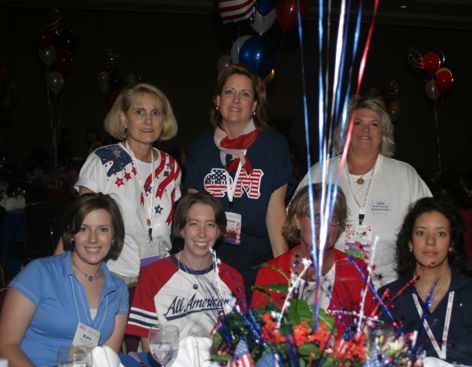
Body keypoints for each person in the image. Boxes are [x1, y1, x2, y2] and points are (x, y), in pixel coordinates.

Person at [295, 96, 431, 289]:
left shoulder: (405, 175)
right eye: (357, 123)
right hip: (323, 289)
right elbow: (293, 222)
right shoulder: (321, 172)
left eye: (374, 124)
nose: (365, 129)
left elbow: (431, 225)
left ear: (383, 132)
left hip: (387, 291)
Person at [185, 64, 295, 300]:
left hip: (257, 262)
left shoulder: (273, 146)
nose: (236, 100)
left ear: (254, 105)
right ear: (217, 99)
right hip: (209, 261)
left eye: (245, 94)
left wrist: (283, 277)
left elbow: (276, 216)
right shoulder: (201, 147)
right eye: (229, 92)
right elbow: (191, 213)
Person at [55, 83, 182, 284]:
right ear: (123, 118)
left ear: (164, 120)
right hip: (112, 278)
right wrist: (58, 276)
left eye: (156, 113)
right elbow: (78, 222)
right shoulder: (104, 160)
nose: (148, 120)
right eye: (139, 112)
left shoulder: (171, 166)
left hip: (159, 277)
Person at [0, 193, 128, 367]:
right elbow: (5, 346)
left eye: (103, 229)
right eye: (83, 228)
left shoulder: (118, 289)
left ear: (114, 237)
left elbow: (108, 357)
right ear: (71, 233)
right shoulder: (39, 273)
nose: (93, 238)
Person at [379, 197, 472, 365]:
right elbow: (379, 360)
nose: (430, 241)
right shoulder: (389, 298)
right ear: (410, 242)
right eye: (421, 233)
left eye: (441, 234)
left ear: (452, 243)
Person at [125, 192, 246, 349]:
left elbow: (237, 340)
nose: (202, 233)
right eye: (194, 224)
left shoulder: (232, 278)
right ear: (181, 229)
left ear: (219, 231)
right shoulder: (152, 275)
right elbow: (149, 345)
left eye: (210, 225)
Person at [251, 184, 376, 333]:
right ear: (297, 221)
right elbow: (258, 334)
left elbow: (370, 334)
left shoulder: (356, 272)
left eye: (332, 219)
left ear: (339, 228)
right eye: (316, 217)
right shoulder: (270, 274)